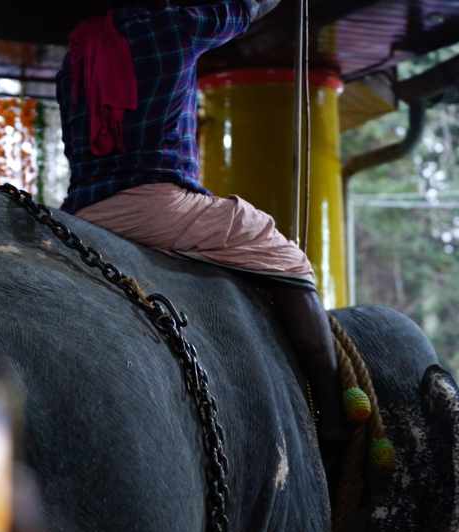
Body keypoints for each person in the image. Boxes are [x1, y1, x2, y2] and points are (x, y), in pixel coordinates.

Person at [56, 0, 346, 448]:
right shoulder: (169, 26)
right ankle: (331, 415)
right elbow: (241, 10)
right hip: (155, 204)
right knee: (289, 261)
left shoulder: (77, 53)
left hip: (80, 214)